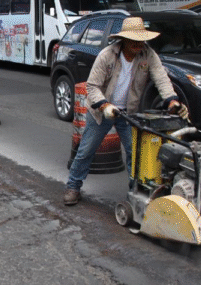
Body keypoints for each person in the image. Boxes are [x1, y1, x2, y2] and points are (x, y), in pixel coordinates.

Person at [63, 17, 189, 206]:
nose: (139, 44)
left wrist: (172, 100)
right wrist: (105, 105)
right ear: (124, 40)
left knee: (135, 153)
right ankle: (73, 187)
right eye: (134, 40)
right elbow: (92, 86)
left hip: (127, 113)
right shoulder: (107, 55)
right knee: (86, 150)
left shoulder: (148, 54)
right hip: (101, 110)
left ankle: (135, 193)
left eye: (141, 40)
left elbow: (161, 78)